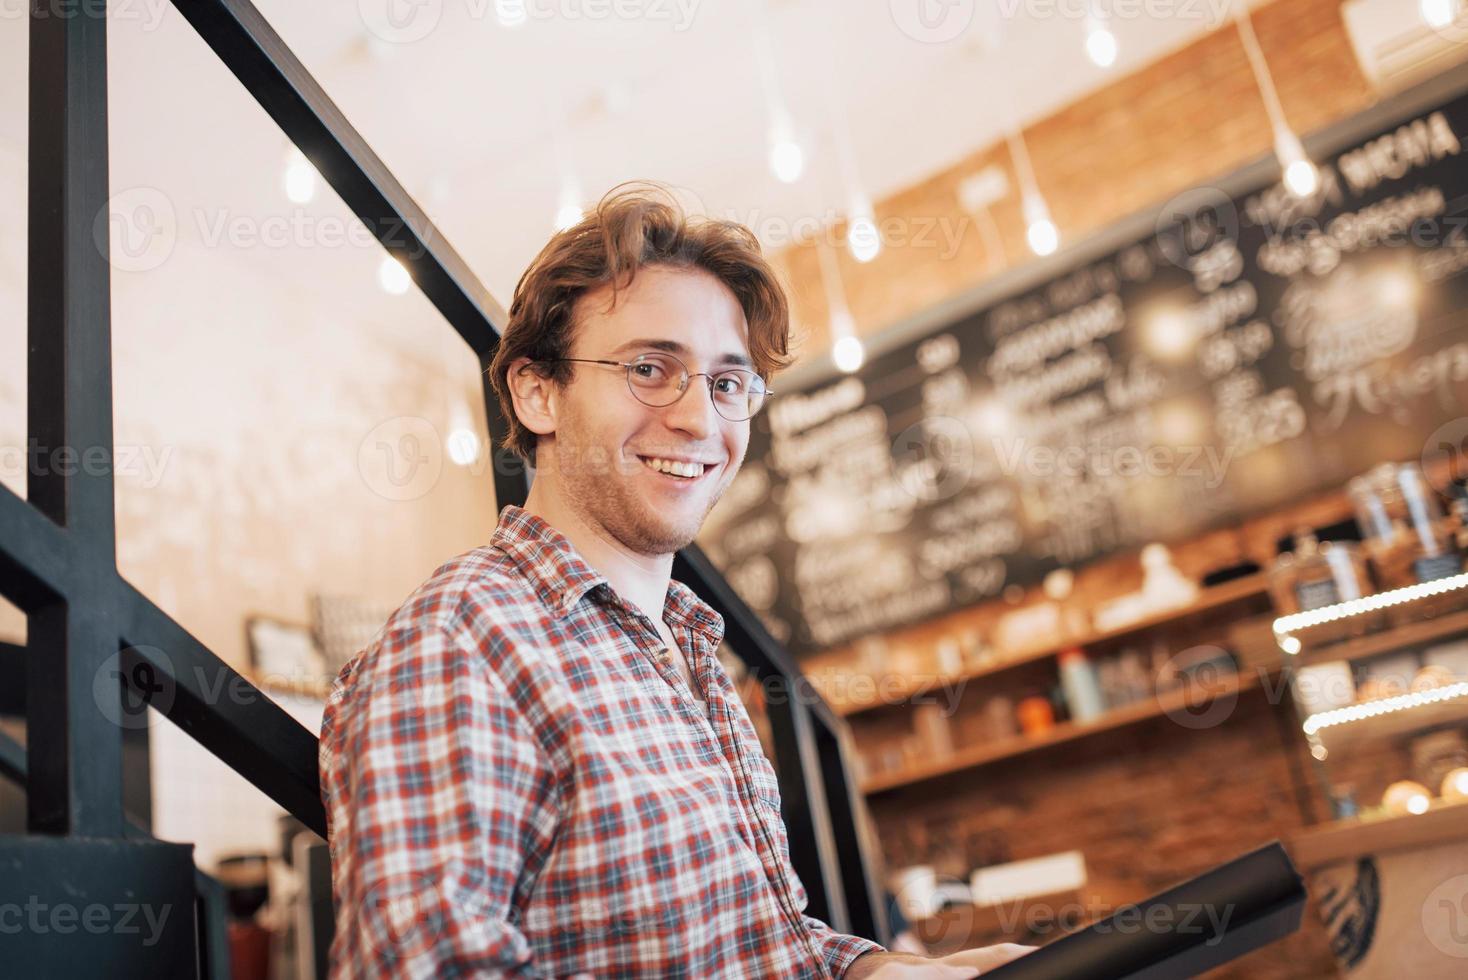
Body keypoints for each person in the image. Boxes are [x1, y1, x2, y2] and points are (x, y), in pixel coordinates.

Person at [318, 181, 1033, 978]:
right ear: (538, 391)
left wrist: (871, 970)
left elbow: (755, 946)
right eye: (651, 369)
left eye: (727, 384)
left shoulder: (684, 646)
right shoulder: (463, 639)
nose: (699, 420)